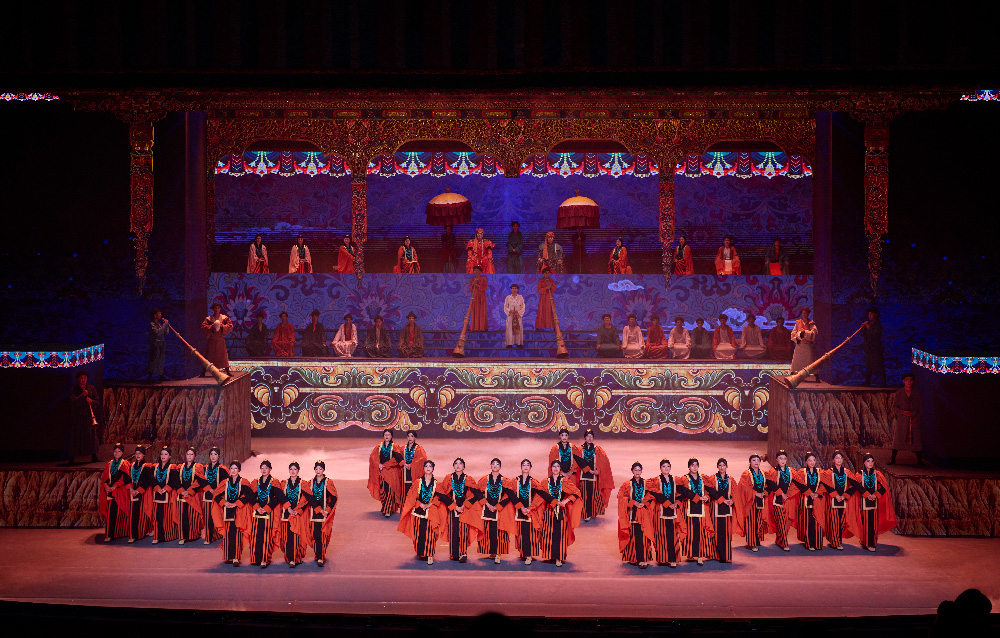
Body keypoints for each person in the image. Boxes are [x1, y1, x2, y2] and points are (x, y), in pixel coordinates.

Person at [397, 459, 445, 564]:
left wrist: (431, 504)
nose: (428, 468)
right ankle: (421, 552)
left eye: (430, 466)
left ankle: (430, 554)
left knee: (431, 533)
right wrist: (420, 504)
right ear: (423, 468)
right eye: (426, 466)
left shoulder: (437, 484)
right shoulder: (417, 482)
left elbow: (440, 498)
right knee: (418, 533)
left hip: (431, 511)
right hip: (418, 511)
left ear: (433, 469)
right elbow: (411, 497)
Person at [847, 452, 897, 551]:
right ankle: (865, 541)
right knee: (864, 523)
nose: (870, 463)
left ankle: (871, 543)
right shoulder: (860, 474)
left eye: (872, 461)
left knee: (872, 523)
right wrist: (866, 494)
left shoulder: (877, 474)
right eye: (868, 461)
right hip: (863, 502)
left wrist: (875, 495)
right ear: (864, 463)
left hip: (874, 502)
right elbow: (856, 487)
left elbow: (884, 488)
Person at [536, 460, 582, 566]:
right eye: (554, 466)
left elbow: (577, 492)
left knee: (560, 533)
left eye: (557, 466)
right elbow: (540, 493)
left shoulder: (565, 481)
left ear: (560, 468)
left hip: (561, 511)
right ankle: (550, 555)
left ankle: (559, 557)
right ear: (551, 468)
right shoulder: (545, 482)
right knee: (548, 532)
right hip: (548, 511)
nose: (556, 468)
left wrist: (566, 501)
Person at [436, 458, 482, 563]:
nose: (458, 465)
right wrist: (453, 506)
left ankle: (463, 553)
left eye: (460, 463)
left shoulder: (468, 479)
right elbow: (442, 494)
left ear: (464, 466)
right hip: (452, 509)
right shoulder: (448, 478)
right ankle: (454, 554)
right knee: (453, 531)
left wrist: (465, 505)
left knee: (463, 531)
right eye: (456, 463)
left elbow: (476, 493)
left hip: (464, 509)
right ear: (453, 466)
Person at [676, 458, 717, 565]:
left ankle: (699, 556)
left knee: (701, 533)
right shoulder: (684, 479)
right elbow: (684, 492)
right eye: (692, 465)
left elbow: (709, 491)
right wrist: (698, 498)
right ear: (688, 467)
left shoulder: (703, 478)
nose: (694, 467)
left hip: (702, 509)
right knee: (690, 533)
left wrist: (707, 497)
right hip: (689, 509)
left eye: (696, 465)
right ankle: (690, 554)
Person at [212, 460, 252, 566]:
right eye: (231, 468)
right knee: (228, 534)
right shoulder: (225, 482)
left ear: (239, 470)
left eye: (235, 468)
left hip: (238, 511)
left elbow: (248, 496)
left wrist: (236, 504)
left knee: (237, 534)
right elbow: (216, 495)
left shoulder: (243, 482)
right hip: (227, 511)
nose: (233, 470)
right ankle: (228, 556)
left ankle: (236, 557)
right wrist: (224, 503)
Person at [475, 458, 513, 564]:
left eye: (497, 464)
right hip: (487, 508)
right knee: (488, 531)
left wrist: (498, 506)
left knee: (499, 532)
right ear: (490, 465)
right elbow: (478, 493)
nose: (495, 465)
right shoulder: (484, 479)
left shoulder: (505, 480)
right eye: (493, 464)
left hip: (499, 510)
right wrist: (487, 504)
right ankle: (492, 552)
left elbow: (509, 495)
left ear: (500, 466)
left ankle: (498, 553)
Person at [616, 462, 654, 569]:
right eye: (635, 470)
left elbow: (651, 496)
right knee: (633, 536)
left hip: (643, 515)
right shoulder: (627, 484)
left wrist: (644, 503)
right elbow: (621, 497)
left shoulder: (647, 483)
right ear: (632, 471)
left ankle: (643, 559)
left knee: (643, 537)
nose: (637, 472)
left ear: (641, 471)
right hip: (632, 514)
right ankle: (633, 558)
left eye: (639, 470)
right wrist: (634, 503)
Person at [572, 429, 614, 522]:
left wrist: (598, 471)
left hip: (594, 477)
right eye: (588, 436)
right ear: (585, 438)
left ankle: (593, 512)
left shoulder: (598, 449)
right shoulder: (579, 449)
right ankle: (586, 514)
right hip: (583, 477)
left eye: (591, 436)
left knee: (593, 495)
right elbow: (576, 463)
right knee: (584, 495)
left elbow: (604, 462)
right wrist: (587, 470)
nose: (589, 438)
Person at [645, 459, 681, 567]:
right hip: (660, 511)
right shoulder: (655, 481)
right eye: (664, 466)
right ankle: (662, 559)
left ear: (670, 468)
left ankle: (673, 559)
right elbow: (655, 493)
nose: (666, 468)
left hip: (673, 512)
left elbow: (681, 493)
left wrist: (677, 503)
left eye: (668, 466)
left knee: (672, 536)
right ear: (660, 468)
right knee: (660, 535)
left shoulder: (676, 480)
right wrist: (667, 503)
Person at [302, 460, 338, 567]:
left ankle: (320, 557)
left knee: (322, 535)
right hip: (313, 514)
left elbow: (334, 498)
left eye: (320, 469)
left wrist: (327, 510)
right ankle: (317, 555)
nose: (318, 471)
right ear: (314, 470)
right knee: (315, 534)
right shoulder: (310, 483)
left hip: (324, 514)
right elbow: (307, 498)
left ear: (323, 470)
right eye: (316, 469)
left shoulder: (328, 482)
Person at [247, 459, 282, 568]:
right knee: (255, 535)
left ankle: (264, 559)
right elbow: (251, 496)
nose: (263, 470)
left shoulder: (274, 482)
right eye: (262, 468)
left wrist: (266, 508)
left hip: (268, 513)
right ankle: (255, 558)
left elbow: (277, 498)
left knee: (266, 536)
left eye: (266, 468)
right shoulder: (255, 482)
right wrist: (257, 507)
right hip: (257, 512)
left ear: (270, 469)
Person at [789, 451, 826, 551]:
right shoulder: (802, 472)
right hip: (805, 500)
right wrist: (809, 493)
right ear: (806, 461)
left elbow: (824, 484)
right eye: (809, 460)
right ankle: (810, 544)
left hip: (817, 500)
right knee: (808, 522)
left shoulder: (820, 472)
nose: (812, 462)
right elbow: (798, 484)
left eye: (814, 460)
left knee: (817, 521)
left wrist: (818, 493)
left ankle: (818, 543)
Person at [169, 446, 205, 545]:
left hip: (192, 495)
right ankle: (182, 536)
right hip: (181, 495)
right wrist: (181, 491)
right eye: (188, 454)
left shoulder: (198, 467)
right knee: (182, 516)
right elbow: (175, 480)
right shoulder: (180, 467)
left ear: (195, 456)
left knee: (192, 516)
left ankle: (193, 535)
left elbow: (199, 481)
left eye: (191, 454)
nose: (189, 456)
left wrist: (189, 491)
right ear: (185, 455)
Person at [276, 461, 309, 568]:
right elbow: (281, 498)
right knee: (287, 536)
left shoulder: (303, 484)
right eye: (291, 469)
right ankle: (289, 558)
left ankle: (295, 558)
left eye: (295, 469)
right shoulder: (284, 483)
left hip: (297, 514)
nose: (293, 471)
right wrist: (289, 508)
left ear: (298, 471)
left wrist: (298, 511)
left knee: (296, 536)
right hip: (286, 514)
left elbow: (306, 499)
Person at [734, 453, 769, 553]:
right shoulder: (746, 474)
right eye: (754, 460)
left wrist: (764, 493)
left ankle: (757, 540)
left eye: (758, 460)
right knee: (751, 521)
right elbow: (744, 488)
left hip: (761, 500)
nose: (756, 462)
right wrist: (755, 494)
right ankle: (752, 542)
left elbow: (768, 485)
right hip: (750, 501)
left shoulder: (763, 473)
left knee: (759, 520)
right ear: (750, 462)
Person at [507, 459, 540, 565]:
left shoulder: (534, 482)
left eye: (528, 465)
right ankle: (523, 553)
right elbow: (511, 495)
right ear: (521, 467)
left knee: (530, 533)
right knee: (521, 533)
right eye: (524, 465)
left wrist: (530, 508)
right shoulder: (514, 481)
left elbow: (538, 496)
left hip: (530, 511)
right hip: (519, 510)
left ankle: (529, 555)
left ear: (530, 467)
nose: (525, 467)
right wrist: (521, 507)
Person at [822, 450, 855, 551]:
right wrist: (835, 495)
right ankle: (836, 542)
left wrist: (845, 495)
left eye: (840, 458)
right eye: (837, 458)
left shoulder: (847, 472)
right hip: (833, 500)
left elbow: (854, 485)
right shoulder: (829, 472)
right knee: (834, 521)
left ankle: (837, 540)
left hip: (843, 500)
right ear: (833, 460)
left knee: (842, 522)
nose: (839, 460)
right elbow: (826, 485)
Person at [195, 446, 228, 544]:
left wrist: (217, 491)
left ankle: (218, 534)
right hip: (207, 496)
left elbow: (226, 482)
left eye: (215, 454)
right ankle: (209, 538)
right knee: (208, 517)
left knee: (217, 517)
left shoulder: (222, 469)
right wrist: (208, 489)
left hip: (218, 496)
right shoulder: (205, 468)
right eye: (211, 454)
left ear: (219, 456)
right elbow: (200, 480)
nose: (213, 456)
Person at [705, 458, 736, 563]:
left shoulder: (730, 479)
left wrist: (732, 501)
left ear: (727, 467)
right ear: (717, 467)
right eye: (720, 465)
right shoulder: (713, 479)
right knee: (717, 533)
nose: (722, 467)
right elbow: (710, 492)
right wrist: (722, 500)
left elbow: (735, 493)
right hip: (716, 509)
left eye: (724, 465)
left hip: (727, 510)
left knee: (726, 533)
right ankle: (716, 555)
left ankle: (726, 556)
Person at [764, 449, 796, 551]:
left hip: (788, 501)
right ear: (776, 459)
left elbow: (797, 483)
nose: (782, 460)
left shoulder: (791, 471)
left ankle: (779, 540)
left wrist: (789, 494)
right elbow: (771, 484)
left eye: (784, 458)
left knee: (787, 523)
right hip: (777, 501)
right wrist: (781, 493)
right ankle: (784, 543)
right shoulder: (773, 471)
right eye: (780, 458)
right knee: (781, 522)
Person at [144, 446, 177, 544]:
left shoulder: (172, 467)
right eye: (162, 454)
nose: (163, 456)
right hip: (157, 494)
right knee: (157, 516)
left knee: (167, 516)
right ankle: (157, 536)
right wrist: (157, 488)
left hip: (168, 495)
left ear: (169, 456)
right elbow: (150, 478)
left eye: (166, 454)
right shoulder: (155, 467)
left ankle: (168, 535)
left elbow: (174, 480)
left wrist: (165, 489)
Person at [368, 429, 404, 517]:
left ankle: (388, 510)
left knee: (390, 491)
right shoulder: (379, 446)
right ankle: (386, 507)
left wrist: (386, 465)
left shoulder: (394, 446)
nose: (387, 436)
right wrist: (378, 464)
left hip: (391, 472)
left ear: (391, 436)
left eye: (388, 435)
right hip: (382, 472)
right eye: (385, 435)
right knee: (383, 490)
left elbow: (398, 458)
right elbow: (373, 457)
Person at [68, 370, 101, 464]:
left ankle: (94, 456)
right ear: (78, 379)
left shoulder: (91, 388)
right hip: (78, 417)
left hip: (89, 417)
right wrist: (82, 396)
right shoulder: (75, 389)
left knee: (92, 436)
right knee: (76, 438)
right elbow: (73, 402)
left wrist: (91, 401)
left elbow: (97, 401)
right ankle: (72, 458)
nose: (83, 380)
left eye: (85, 378)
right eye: (81, 378)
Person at [891, 373, 923, 465]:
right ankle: (893, 459)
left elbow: (920, 408)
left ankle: (919, 461)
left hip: (913, 420)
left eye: (910, 380)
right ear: (904, 381)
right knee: (898, 439)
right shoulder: (899, 393)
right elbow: (894, 407)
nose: (909, 382)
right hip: (902, 420)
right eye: (907, 380)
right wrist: (903, 412)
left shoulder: (916, 394)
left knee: (916, 440)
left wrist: (916, 418)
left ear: (913, 381)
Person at [122, 445, 152, 543]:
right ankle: (133, 535)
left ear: (144, 455)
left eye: (140, 453)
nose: (138, 455)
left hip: (142, 493)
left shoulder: (147, 466)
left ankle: (140, 533)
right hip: (132, 492)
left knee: (141, 514)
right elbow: (126, 478)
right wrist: (131, 489)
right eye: (136, 453)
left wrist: (138, 490)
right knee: (133, 514)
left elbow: (148, 480)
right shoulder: (131, 466)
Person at [99, 443, 129, 542]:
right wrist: (106, 486)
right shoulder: (109, 464)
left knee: (120, 513)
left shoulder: (125, 464)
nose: (117, 453)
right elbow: (105, 478)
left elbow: (126, 478)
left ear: (122, 453)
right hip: (110, 492)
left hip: (120, 491)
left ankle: (121, 532)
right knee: (111, 513)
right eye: (115, 451)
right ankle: (109, 534)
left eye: (119, 451)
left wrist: (115, 486)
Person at [201, 302, 233, 375]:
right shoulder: (209, 319)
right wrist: (212, 327)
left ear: (220, 309)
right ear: (213, 309)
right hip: (212, 340)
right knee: (209, 356)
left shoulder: (224, 318)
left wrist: (222, 327)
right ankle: (203, 371)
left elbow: (230, 326)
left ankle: (227, 371)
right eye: (215, 308)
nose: (216, 309)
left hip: (220, 340)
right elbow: (204, 327)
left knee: (223, 356)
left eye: (218, 308)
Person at [400, 431, 427, 501]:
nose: (410, 438)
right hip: (404, 471)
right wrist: (403, 463)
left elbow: (422, 459)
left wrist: (412, 465)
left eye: (412, 436)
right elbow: (399, 458)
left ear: (415, 437)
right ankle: (405, 506)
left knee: (414, 489)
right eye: (408, 436)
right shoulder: (403, 448)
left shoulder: (419, 448)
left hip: (415, 472)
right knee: (405, 490)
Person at [862, 307, 886, 386]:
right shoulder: (869, 323)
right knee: (868, 365)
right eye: (869, 314)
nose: (870, 316)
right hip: (868, 348)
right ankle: (867, 381)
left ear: (876, 315)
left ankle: (883, 382)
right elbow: (864, 335)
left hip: (876, 349)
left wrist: (868, 326)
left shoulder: (878, 324)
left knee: (879, 365)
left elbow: (875, 334)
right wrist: (863, 328)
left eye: (871, 314)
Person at [790, 307, 818, 374]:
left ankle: (815, 374)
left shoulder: (811, 323)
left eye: (805, 313)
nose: (804, 315)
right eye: (803, 313)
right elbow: (793, 333)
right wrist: (798, 337)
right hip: (800, 345)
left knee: (810, 361)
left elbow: (814, 332)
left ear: (808, 314)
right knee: (796, 361)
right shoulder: (798, 323)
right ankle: (792, 373)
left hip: (807, 345)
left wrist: (805, 333)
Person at [147, 308, 169, 383]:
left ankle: (160, 375)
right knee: (154, 360)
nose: (160, 315)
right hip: (155, 344)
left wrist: (166, 326)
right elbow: (158, 333)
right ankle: (149, 377)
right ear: (155, 315)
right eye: (159, 313)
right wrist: (165, 325)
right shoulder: (152, 324)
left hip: (161, 343)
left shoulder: (159, 324)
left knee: (161, 360)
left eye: (160, 313)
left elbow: (165, 333)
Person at [503, 283, 525, 348]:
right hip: (510, 316)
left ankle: (519, 344)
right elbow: (505, 307)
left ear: (517, 289)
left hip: (518, 316)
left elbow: (523, 306)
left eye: (515, 288)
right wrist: (510, 311)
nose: (514, 289)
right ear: (511, 289)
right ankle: (509, 344)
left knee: (518, 329)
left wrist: (518, 312)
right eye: (513, 288)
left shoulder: (520, 297)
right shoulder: (508, 298)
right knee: (510, 329)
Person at [469, 265, 489, 331]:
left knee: (482, 312)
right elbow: (470, 289)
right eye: (474, 270)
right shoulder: (472, 279)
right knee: (474, 312)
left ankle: (483, 327)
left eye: (477, 270)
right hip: (474, 297)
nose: (476, 271)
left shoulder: (483, 278)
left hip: (481, 297)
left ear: (480, 271)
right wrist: (473, 285)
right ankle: (474, 327)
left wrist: (477, 285)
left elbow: (485, 287)